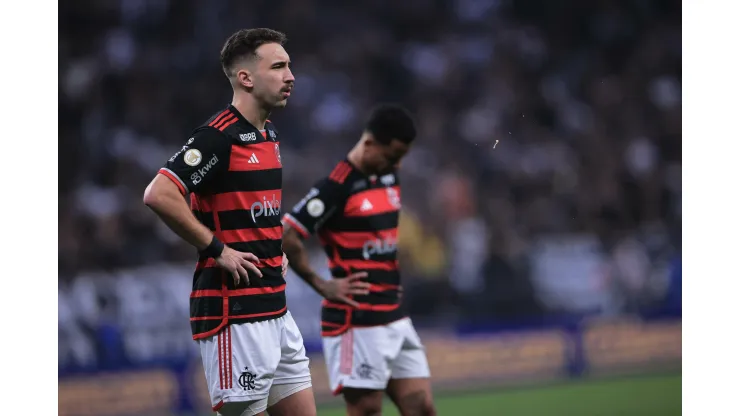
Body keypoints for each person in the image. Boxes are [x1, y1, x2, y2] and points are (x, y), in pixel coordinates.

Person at [142, 28, 316, 416]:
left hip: (275, 307)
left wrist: (272, 248)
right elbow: (159, 194)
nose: (291, 76)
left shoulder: (267, 134)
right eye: (278, 66)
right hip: (235, 313)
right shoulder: (217, 137)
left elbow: (253, 208)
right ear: (246, 78)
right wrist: (217, 250)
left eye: (289, 66)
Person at [282, 105, 436, 416]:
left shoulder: (388, 175)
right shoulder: (336, 187)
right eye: (392, 155)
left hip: (394, 313)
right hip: (357, 320)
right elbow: (288, 234)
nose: (398, 164)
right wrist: (321, 283)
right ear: (369, 144)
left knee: (421, 407)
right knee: (367, 410)